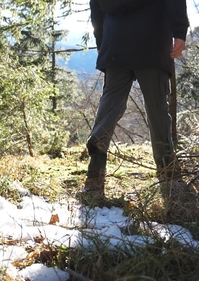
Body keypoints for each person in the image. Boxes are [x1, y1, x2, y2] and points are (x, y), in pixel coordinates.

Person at [80, 0, 189, 203]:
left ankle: (94, 176)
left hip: (114, 42)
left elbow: (96, 7)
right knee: (157, 110)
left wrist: (102, 42)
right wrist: (179, 31)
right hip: (152, 41)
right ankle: (169, 179)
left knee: (109, 108)